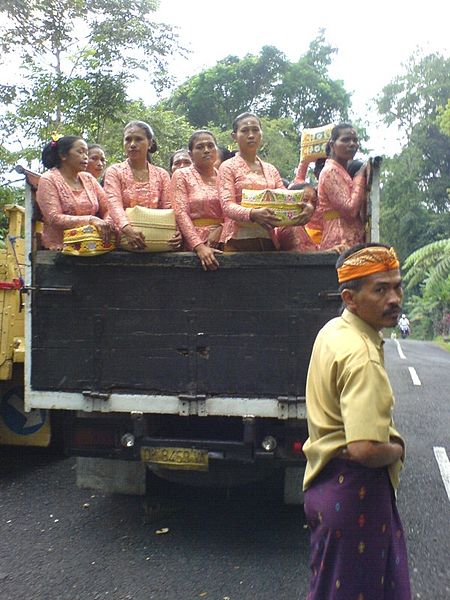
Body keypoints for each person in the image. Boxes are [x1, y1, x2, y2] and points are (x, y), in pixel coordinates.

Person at [303, 242, 411, 600]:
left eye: (396, 286)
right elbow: (364, 449)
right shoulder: (362, 355)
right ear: (350, 298)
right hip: (355, 498)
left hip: (325, 488)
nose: (394, 298)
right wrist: (396, 448)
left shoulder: (333, 330)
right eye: (380, 289)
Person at [104, 120, 181, 250]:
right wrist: (127, 229)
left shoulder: (161, 174)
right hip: (120, 238)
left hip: (155, 239)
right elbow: (113, 204)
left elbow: (168, 206)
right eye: (128, 140)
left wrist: (176, 230)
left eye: (138, 139)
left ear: (150, 143)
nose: (132, 144)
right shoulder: (114, 171)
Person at [217, 112, 284, 251]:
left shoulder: (271, 169)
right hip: (237, 242)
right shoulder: (227, 166)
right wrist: (252, 214)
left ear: (261, 133)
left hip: (268, 241)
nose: (251, 135)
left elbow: (284, 198)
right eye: (245, 131)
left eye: (255, 130)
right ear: (234, 136)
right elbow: (227, 205)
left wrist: (303, 206)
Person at [36, 135, 112, 250]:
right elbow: (54, 218)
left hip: (93, 245)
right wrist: (91, 220)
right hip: (61, 249)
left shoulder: (88, 178)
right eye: (80, 152)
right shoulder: (48, 180)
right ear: (63, 155)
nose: (85, 157)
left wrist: (107, 225)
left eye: (86, 153)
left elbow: (108, 208)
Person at [171, 130, 224, 271]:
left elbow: (231, 208)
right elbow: (180, 213)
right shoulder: (181, 175)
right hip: (192, 245)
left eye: (210, 146)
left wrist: (222, 229)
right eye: (200, 147)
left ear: (217, 150)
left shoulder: (224, 176)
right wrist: (199, 246)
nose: (206, 150)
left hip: (223, 241)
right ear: (191, 154)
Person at [317, 123, 369, 252]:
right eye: (345, 140)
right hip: (339, 244)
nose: (352, 144)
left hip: (352, 243)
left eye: (355, 140)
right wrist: (360, 177)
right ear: (332, 145)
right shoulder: (330, 171)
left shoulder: (341, 171)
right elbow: (350, 210)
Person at [275, 182, 317, 252]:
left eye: (313, 201)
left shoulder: (298, 225)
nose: (310, 206)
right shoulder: (291, 226)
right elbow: (304, 257)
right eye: (305, 200)